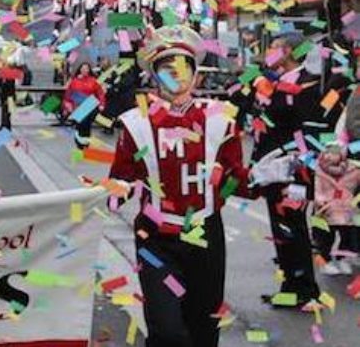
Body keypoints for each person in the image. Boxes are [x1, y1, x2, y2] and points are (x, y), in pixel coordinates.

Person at [108, 25, 251, 346]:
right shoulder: (135, 122)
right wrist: (116, 191)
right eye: (166, 68)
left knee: (204, 326)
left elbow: (236, 180)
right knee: (167, 330)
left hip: (205, 236)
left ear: (197, 76)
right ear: (154, 76)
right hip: (156, 238)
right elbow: (122, 174)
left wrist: (265, 179)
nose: (176, 75)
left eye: (184, 67)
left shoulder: (221, 119)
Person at [251, 32, 324, 308]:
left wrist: (298, 163)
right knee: (281, 229)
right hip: (271, 168)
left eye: (275, 47)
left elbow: (309, 130)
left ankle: (306, 290)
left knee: (294, 228)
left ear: (290, 51)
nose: (269, 51)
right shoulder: (274, 82)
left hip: (293, 170)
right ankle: (289, 286)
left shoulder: (307, 84)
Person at [313, 143, 360, 275]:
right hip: (326, 208)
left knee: (349, 236)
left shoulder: (354, 169)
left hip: (347, 207)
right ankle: (324, 261)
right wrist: (321, 202)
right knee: (325, 238)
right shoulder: (318, 170)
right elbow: (317, 190)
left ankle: (343, 258)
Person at [65, 62, 107, 149]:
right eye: (83, 68)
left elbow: (100, 93)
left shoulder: (93, 80)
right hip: (78, 106)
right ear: (80, 69)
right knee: (81, 125)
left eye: (86, 68)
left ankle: (85, 144)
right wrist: (67, 105)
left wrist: (102, 104)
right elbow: (68, 95)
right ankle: (80, 144)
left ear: (89, 70)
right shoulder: (74, 81)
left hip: (90, 105)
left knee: (86, 126)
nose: (84, 70)